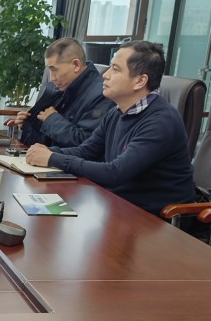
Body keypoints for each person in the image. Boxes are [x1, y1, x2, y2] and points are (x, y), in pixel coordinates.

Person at [26, 41, 194, 216]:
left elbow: (115, 173)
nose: (105, 75)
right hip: (117, 205)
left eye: (115, 69)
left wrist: (52, 158)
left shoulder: (160, 122)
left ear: (139, 81)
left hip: (156, 219)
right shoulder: (117, 112)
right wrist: (45, 152)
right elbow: (86, 151)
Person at [10, 38, 115, 147]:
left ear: (76, 65)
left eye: (54, 70)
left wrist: (52, 121)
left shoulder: (102, 95)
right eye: (49, 70)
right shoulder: (61, 89)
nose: (52, 78)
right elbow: (47, 141)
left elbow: (86, 145)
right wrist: (29, 124)